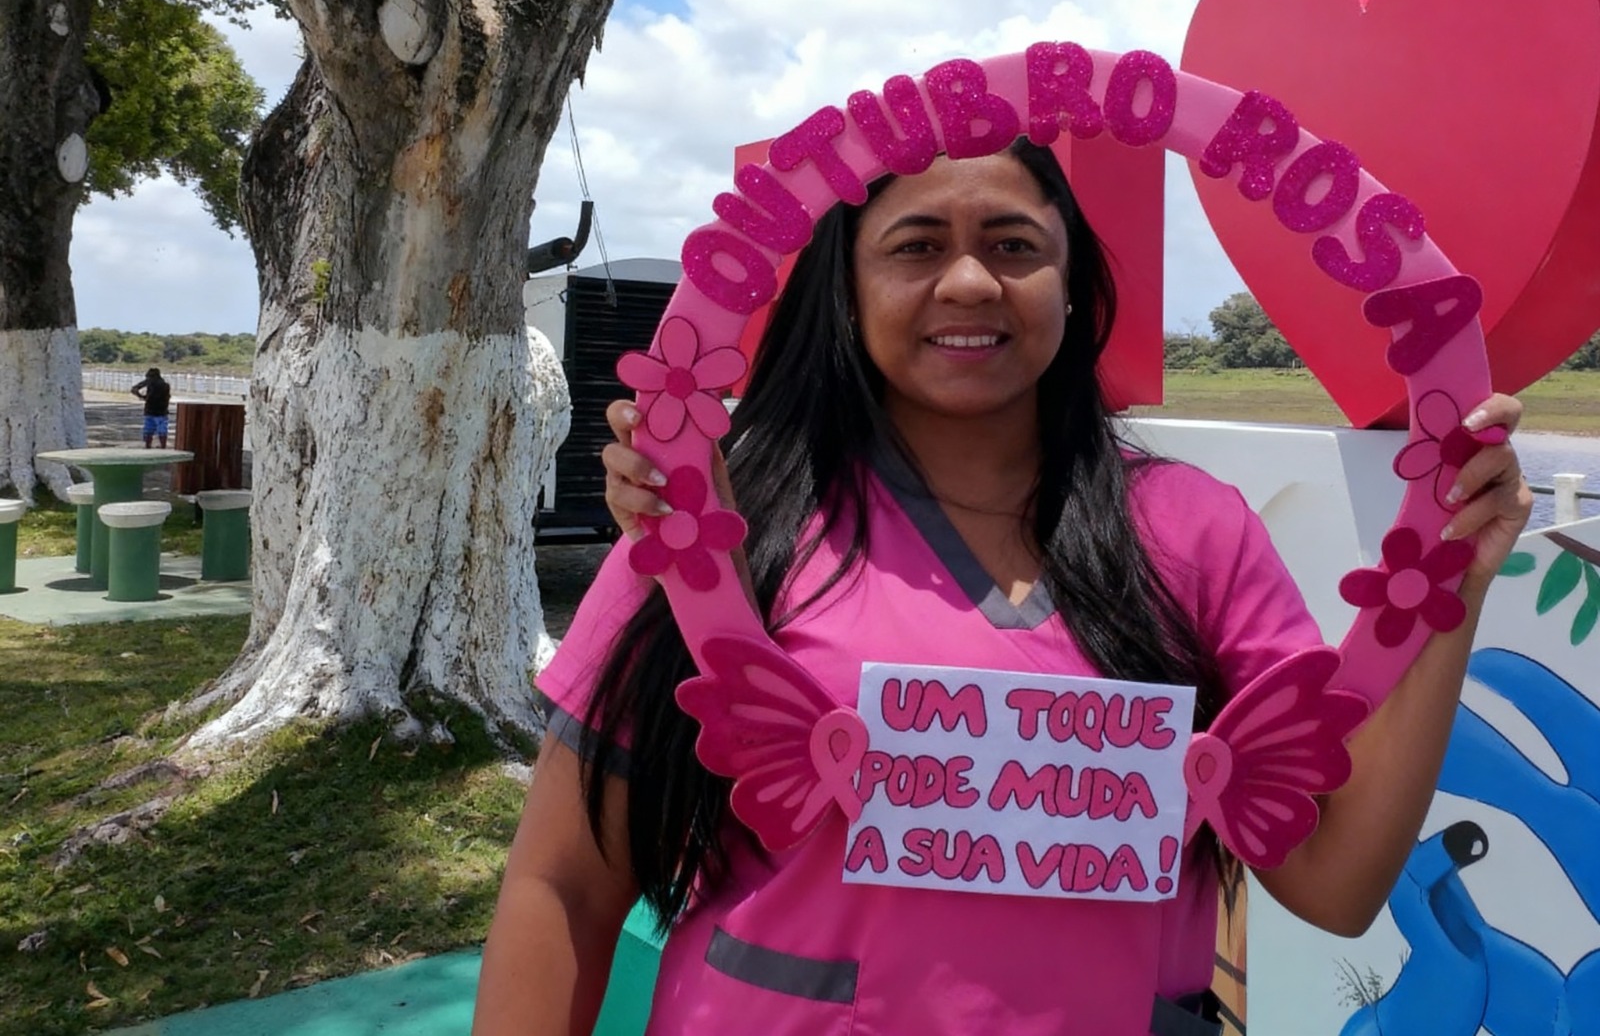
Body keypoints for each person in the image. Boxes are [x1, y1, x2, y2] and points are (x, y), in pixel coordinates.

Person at [473, 141, 1532, 1036]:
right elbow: (562, 880)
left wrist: (1454, 583)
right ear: (844, 282)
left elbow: (1336, 883)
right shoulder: (712, 522)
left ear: (1071, 287)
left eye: (1015, 245)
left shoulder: (1192, 532)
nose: (971, 282)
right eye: (917, 244)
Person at [130, 366, 172, 450]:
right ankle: (163, 447)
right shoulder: (165, 385)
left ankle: (148, 446)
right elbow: (168, 397)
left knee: (148, 430)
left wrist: (142, 397)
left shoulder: (149, 382)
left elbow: (134, 389)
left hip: (150, 409)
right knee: (162, 430)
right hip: (162, 410)